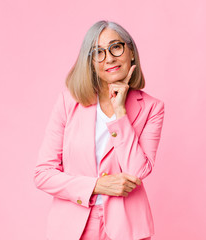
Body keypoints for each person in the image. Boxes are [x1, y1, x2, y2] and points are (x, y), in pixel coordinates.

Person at [34, 20, 165, 240]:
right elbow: (43, 174)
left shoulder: (152, 108)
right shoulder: (69, 102)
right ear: (91, 62)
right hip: (72, 227)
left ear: (130, 51)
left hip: (127, 229)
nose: (109, 58)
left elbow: (137, 172)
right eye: (98, 52)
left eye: (116, 47)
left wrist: (120, 112)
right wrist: (96, 186)